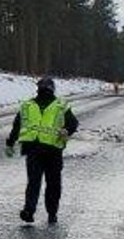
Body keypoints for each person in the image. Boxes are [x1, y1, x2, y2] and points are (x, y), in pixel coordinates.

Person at [5, 77, 79, 224]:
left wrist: (10, 143)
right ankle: (50, 213)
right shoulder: (59, 104)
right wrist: (67, 130)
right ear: (53, 89)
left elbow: (16, 126)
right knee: (52, 183)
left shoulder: (31, 105)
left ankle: (29, 211)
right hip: (51, 151)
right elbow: (73, 123)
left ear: (37, 88)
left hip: (35, 150)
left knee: (34, 182)